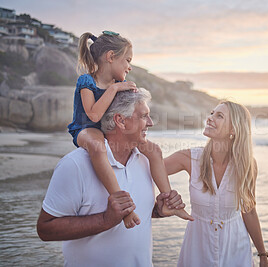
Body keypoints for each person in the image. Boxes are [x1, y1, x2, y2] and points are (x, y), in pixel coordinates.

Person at [37, 88, 192, 266]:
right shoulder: (75, 165)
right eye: (143, 116)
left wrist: (158, 211)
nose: (150, 123)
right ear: (120, 121)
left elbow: (138, 212)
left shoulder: (146, 161)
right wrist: (105, 220)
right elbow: (45, 229)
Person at [67, 31, 189, 228]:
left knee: (154, 150)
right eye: (127, 60)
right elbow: (93, 116)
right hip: (86, 128)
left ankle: (169, 200)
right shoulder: (87, 81)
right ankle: (122, 205)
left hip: (110, 128)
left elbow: (129, 109)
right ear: (110, 57)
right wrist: (114, 90)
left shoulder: (120, 83)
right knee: (98, 148)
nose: (129, 67)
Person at [164, 101, 268, 267]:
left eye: (219, 116)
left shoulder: (248, 165)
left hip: (236, 249)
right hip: (197, 248)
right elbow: (149, 171)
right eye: (212, 113)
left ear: (233, 130)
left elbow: (249, 211)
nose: (210, 118)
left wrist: (263, 254)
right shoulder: (189, 158)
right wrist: (165, 194)